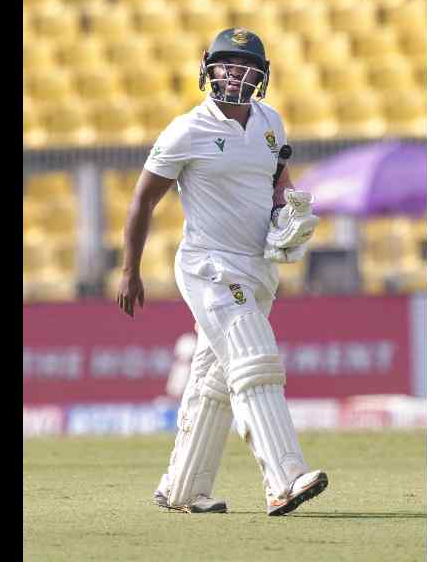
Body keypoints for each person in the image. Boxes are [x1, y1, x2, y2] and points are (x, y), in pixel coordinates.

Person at [116, 28, 327, 516]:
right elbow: (143, 200)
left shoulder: (271, 123)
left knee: (214, 380)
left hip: (258, 268)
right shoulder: (186, 130)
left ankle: (183, 488)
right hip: (209, 265)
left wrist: (287, 217)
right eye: (225, 64)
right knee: (255, 359)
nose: (234, 73)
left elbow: (280, 184)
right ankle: (286, 478)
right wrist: (130, 270)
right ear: (207, 70)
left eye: (245, 65)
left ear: (261, 77)